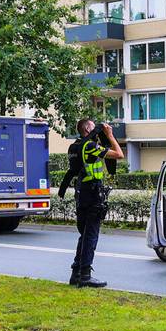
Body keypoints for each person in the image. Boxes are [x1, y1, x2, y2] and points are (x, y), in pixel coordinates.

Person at [59, 119, 124, 288]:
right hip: (93, 195)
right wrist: (110, 135)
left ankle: (76, 274)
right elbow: (119, 154)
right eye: (94, 126)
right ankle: (85, 275)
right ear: (88, 128)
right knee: (91, 236)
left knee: (84, 235)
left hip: (81, 194)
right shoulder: (90, 147)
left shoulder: (74, 147)